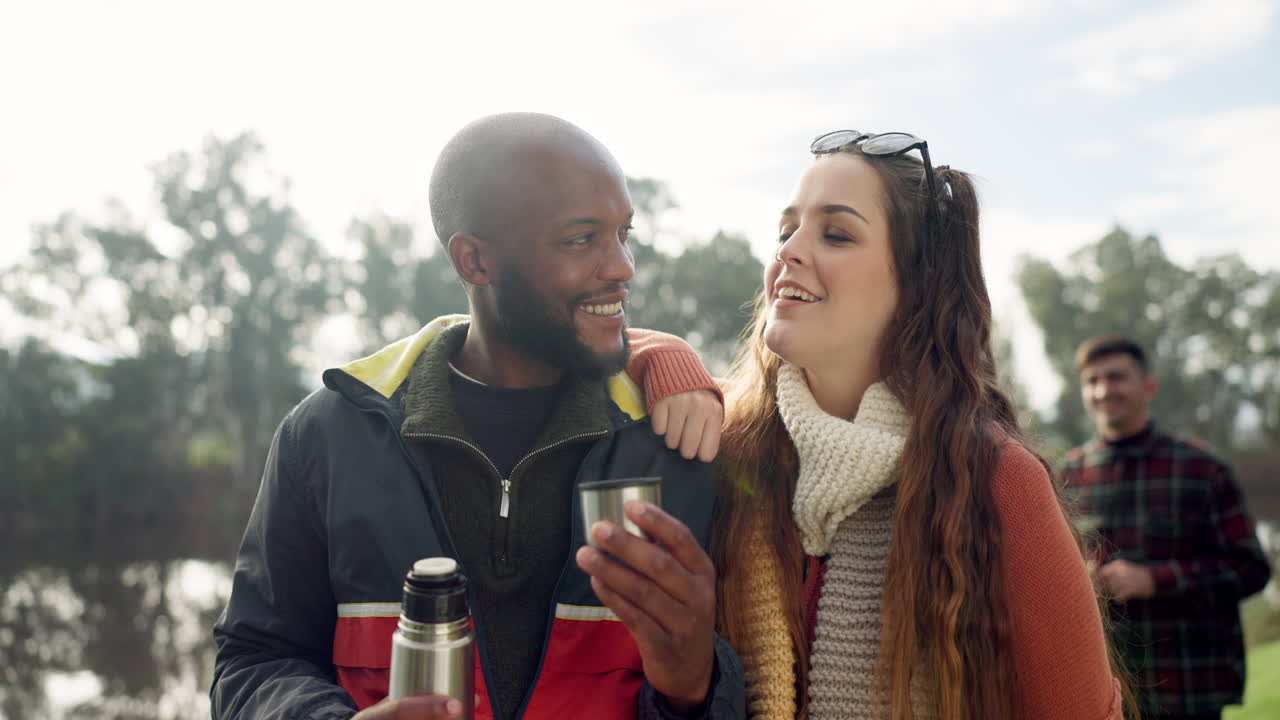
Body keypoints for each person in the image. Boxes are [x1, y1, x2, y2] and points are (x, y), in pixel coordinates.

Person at [210, 113, 744, 720]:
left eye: (624, 233)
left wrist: (694, 688)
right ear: (474, 261)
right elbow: (255, 658)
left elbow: (760, 677)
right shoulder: (327, 437)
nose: (622, 266)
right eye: (580, 239)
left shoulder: (677, 439)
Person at [693, 130, 1124, 719]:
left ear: (917, 283)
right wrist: (663, 359)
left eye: (836, 233)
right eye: (785, 229)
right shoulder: (723, 442)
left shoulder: (994, 482)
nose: (789, 251)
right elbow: (589, 355)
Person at [1058, 335, 1272, 720]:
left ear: (1148, 387)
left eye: (1117, 377)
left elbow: (1251, 569)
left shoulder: (1202, 469)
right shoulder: (1065, 477)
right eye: (1093, 381)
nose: (1104, 390)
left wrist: (1157, 580)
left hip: (1188, 689)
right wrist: (1079, 580)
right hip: (1103, 692)